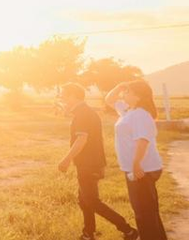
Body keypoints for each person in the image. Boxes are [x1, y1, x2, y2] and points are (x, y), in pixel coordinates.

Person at [56, 83, 138, 240]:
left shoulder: (83, 114)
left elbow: (81, 139)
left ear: (72, 96)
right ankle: (88, 233)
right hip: (90, 163)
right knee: (84, 200)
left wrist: (66, 160)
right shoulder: (84, 112)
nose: (62, 99)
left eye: (64, 96)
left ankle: (128, 230)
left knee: (92, 201)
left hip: (89, 164)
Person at [106, 80, 167, 240]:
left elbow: (143, 140)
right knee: (146, 211)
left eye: (128, 92)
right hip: (137, 168)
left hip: (142, 169)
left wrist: (136, 164)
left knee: (144, 212)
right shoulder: (129, 111)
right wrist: (119, 86)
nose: (123, 94)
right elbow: (109, 100)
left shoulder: (140, 114)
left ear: (138, 96)